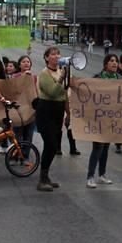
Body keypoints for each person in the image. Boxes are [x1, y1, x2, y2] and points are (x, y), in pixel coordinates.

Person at [35, 46, 68, 192]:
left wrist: (69, 114)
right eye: (53, 54)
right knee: (51, 144)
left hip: (58, 111)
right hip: (46, 111)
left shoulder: (61, 71)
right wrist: (62, 78)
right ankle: (42, 179)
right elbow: (54, 92)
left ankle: (46, 176)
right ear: (47, 58)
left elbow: (65, 94)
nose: (56, 56)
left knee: (53, 146)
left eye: (58, 54)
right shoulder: (44, 74)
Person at [86, 54, 119, 188]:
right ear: (105, 64)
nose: (115, 63)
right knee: (97, 147)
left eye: (116, 61)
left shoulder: (119, 79)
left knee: (105, 147)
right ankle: (90, 176)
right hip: (99, 118)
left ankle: (102, 175)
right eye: (111, 61)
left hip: (112, 119)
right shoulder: (98, 78)